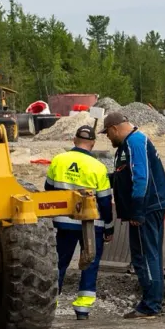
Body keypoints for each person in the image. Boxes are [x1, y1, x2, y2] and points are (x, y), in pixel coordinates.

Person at [103, 110, 165, 318]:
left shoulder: (135, 142)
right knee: (150, 254)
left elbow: (141, 177)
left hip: (148, 207)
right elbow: (125, 175)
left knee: (144, 255)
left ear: (115, 128)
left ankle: (150, 305)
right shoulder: (130, 143)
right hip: (151, 205)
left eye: (107, 133)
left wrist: (137, 210)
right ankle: (153, 301)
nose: (107, 138)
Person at [44, 124, 113, 319]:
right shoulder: (99, 167)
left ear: (74, 141)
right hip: (92, 225)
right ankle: (83, 309)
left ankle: (51, 303)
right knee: (90, 264)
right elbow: (105, 201)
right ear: (92, 143)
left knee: (59, 262)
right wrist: (109, 226)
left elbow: (48, 189)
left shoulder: (59, 160)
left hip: (64, 221)